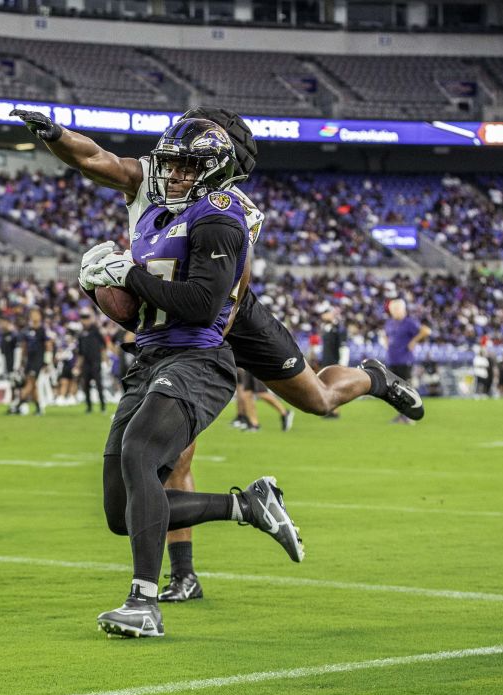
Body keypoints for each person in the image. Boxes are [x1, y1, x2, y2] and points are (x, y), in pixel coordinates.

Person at [13, 105, 425, 606]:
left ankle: (373, 379)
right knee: (166, 456)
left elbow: (224, 294)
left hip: (224, 312)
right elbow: (96, 159)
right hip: (170, 314)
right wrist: (54, 134)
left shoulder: (230, 210)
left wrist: (180, 331)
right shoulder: (155, 176)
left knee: (318, 399)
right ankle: (184, 574)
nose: (178, 171)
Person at [42, 116, 306, 637]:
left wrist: (129, 274)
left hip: (200, 360)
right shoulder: (151, 218)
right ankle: (246, 505)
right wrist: (99, 289)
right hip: (150, 358)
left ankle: (144, 602)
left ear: (213, 171)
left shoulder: (220, 217)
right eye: (173, 164)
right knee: (121, 512)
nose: (176, 174)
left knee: (141, 453)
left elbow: (201, 305)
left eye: (189, 166)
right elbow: (140, 310)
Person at [382, 298, 431, 424]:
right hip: (392, 360)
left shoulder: (409, 322)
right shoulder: (390, 322)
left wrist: (414, 341)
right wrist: (386, 342)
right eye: (393, 309)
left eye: (396, 309)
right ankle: (402, 415)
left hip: (405, 360)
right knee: (395, 390)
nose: (394, 311)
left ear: (403, 309)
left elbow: (426, 331)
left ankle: (409, 416)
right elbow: (385, 334)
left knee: (406, 389)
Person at [75, 311, 109, 413]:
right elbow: (80, 352)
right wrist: (77, 366)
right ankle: (89, 407)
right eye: (82, 319)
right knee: (86, 385)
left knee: (99, 384)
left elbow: (103, 346)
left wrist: (105, 360)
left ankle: (103, 407)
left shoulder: (95, 331)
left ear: (89, 319)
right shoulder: (80, 334)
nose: (84, 321)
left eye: (86, 318)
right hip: (85, 363)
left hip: (96, 361)